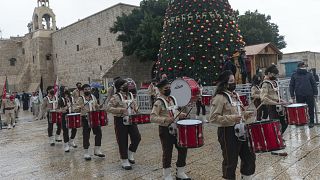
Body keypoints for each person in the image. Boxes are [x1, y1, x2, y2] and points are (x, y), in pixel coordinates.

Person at [209, 70, 255, 180]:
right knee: (230, 161)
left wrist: (246, 114)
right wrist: (232, 118)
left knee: (249, 156)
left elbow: (239, 113)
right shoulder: (219, 98)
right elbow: (213, 118)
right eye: (231, 81)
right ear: (224, 83)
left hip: (242, 129)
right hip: (227, 132)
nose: (234, 83)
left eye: (234, 81)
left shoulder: (235, 95)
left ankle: (246, 177)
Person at [150, 79, 190, 180]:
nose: (168, 90)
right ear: (160, 89)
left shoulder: (172, 99)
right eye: (166, 88)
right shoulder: (158, 102)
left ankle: (180, 172)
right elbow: (152, 117)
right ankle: (167, 174)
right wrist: (166, 119)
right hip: (165, 130)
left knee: (182, 149)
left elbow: (175, 111)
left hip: (177, 129)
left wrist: (181, 115)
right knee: (167, 152)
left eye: (169, 88)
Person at [106, 78, 141, 170]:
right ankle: (124, 160)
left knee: (137, 137)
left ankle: (130, 153)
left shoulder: (130, 95)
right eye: (125, 84)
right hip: (120, 120)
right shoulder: (115, 97)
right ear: (120, 87)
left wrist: (136, 108)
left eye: (127, 84)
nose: (127, 86)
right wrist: (120, 110)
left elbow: (134, 104)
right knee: (122, 140)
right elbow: (108, 108)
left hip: (131, 118)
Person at [76, 84, 105, 160]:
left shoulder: (93, 97)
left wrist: (99, 106)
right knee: (86, 135)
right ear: (83, 90)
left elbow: (96, 106)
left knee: (99, 133)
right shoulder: (80, 99)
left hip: (94, 117)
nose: (87, 90)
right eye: (85, 89)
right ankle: (86, 152)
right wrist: (80, 107)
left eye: (88, 89)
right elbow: (75, 108)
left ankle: (97, 150)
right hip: (85, 118)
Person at [261, 65, 288, 134]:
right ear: (269, 73)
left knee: (285, 123)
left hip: (278, 106)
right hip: (272, 107)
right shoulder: (265, 84)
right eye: (274, 74)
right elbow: (264, 98)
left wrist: (282, 101)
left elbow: (276, 95)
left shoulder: (274, 82)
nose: (275, 76)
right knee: (275, 125)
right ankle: (276, 139)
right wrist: (276, 103)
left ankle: (279, 137)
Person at [289, 62, 318, 128]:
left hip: (309, 94)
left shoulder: (309, 74)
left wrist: (315, 93)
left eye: (304, 66)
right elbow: (291, 85)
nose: (304, 67)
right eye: (303, 66)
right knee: (300, 109)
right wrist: (292, 94)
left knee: (311, 109)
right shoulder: (294, 75)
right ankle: (301, 121)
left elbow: (314, 84)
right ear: (299, 67)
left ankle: (311, 122)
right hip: (299, 95)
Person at [58, 87, 78, 152]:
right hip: (64, 116)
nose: (66, 90)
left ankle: (71, 140)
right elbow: (59, 109)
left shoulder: (71, 98)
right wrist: (63, 109)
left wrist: (75, 109)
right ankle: (66, 144)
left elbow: (73, 106)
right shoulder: (61, 99)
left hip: (71, 115)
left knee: (74, 128)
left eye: (67, 89)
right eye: (65, 89)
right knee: (65, 130)